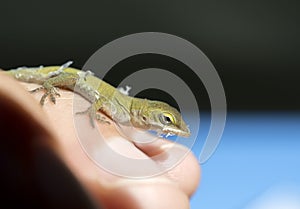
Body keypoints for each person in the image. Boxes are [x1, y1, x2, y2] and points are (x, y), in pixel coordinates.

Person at [0, 73, 200, 209]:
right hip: (57, 76)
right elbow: (103, 101)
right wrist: (92, 112)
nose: (169, 128)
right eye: (166, 120)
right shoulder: (123, 110)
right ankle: (48, 84)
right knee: (70, 80)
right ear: (146, 115)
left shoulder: (129, 115)